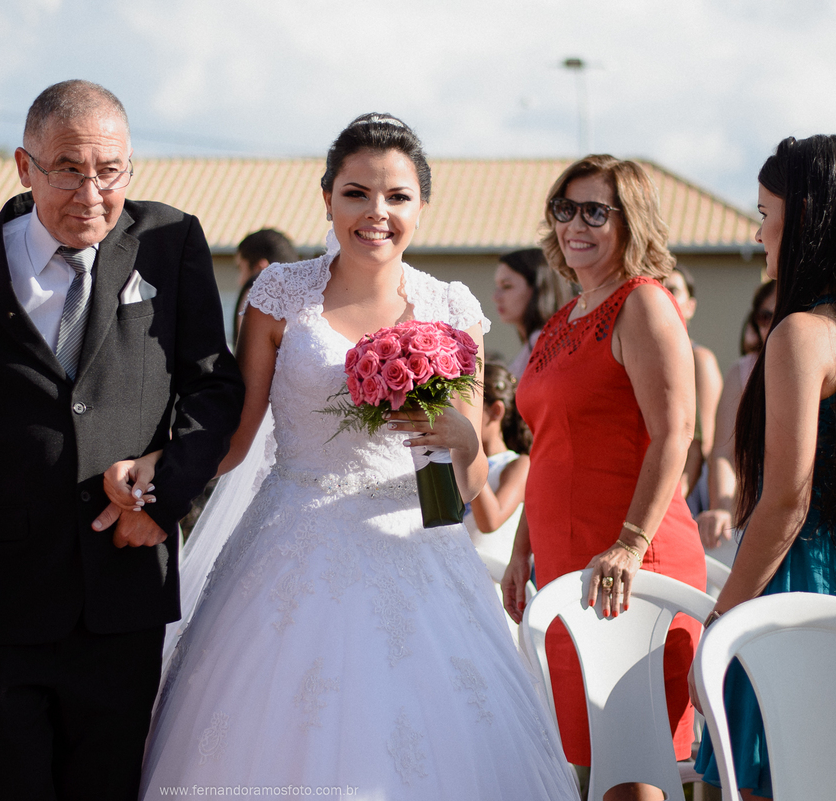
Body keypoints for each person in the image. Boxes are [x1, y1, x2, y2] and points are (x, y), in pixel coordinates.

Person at [133, 113, 577, 799]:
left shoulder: (451, 308)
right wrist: (153, 462)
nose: (377, 212)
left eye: (398, 196)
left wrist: (462, 440)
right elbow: (237, 438)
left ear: (422, 207)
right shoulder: (279, 295)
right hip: (291, 543)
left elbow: (464, 481)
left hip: (416, 548)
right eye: (356, 193)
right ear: (328, 198)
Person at [0, 80, 244, 800]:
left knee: (107, 785)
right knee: (6, 782)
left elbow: (213, 388)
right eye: (68, 169)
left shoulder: (170, 243)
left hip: (123, 587)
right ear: (25, 168)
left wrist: (163, 491)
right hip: (0, 597)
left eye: (110, 170)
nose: (92, 191)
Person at [505, 154, 707, 801]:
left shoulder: (643, 302)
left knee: (633, 763)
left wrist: (628, 540)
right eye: (565, 209)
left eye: (596, 210)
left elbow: (676, 428)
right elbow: (547, 444)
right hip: (566, 562)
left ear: (631, 219)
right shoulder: (562, 320)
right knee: (596, 756)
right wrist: (520, 550)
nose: (576, 224)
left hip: (630, 561)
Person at [690, 135, 836, 799]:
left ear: (806, 214)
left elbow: (786, 500)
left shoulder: (801, 334)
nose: (758, 231)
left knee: (776, 777)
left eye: (765, 212)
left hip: (798, 584)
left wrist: (722, 620)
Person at [696, 280, 776, 563]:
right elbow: (723, 452)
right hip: (748, 519)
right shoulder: (742, 372)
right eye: (766, 316)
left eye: (783, 313)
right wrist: (723, 508)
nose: (774, 323)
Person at [663, 266, 723, 512]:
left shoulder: (701, 361)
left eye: (673, 290)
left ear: (691, 306)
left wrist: (671, 504)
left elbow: (703, 446)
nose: (665, 296)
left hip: (685, 495)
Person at [464, 361, 531, 576]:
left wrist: (466, 450)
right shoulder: (454, 461)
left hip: (490, 584)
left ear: (495, 411)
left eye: (467, 404)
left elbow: (491, 521)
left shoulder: (518, 464)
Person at [492, 247, 572, 378]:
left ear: (538, 288)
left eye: (507, 286)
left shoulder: (546, 345)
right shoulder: (535, 343)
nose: (496, 297)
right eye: (497, 286)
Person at [232, 228, 298, 346]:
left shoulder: (255, 293)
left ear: (261, 268)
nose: (239, 281)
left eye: (241, 268)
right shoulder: (313, 303)